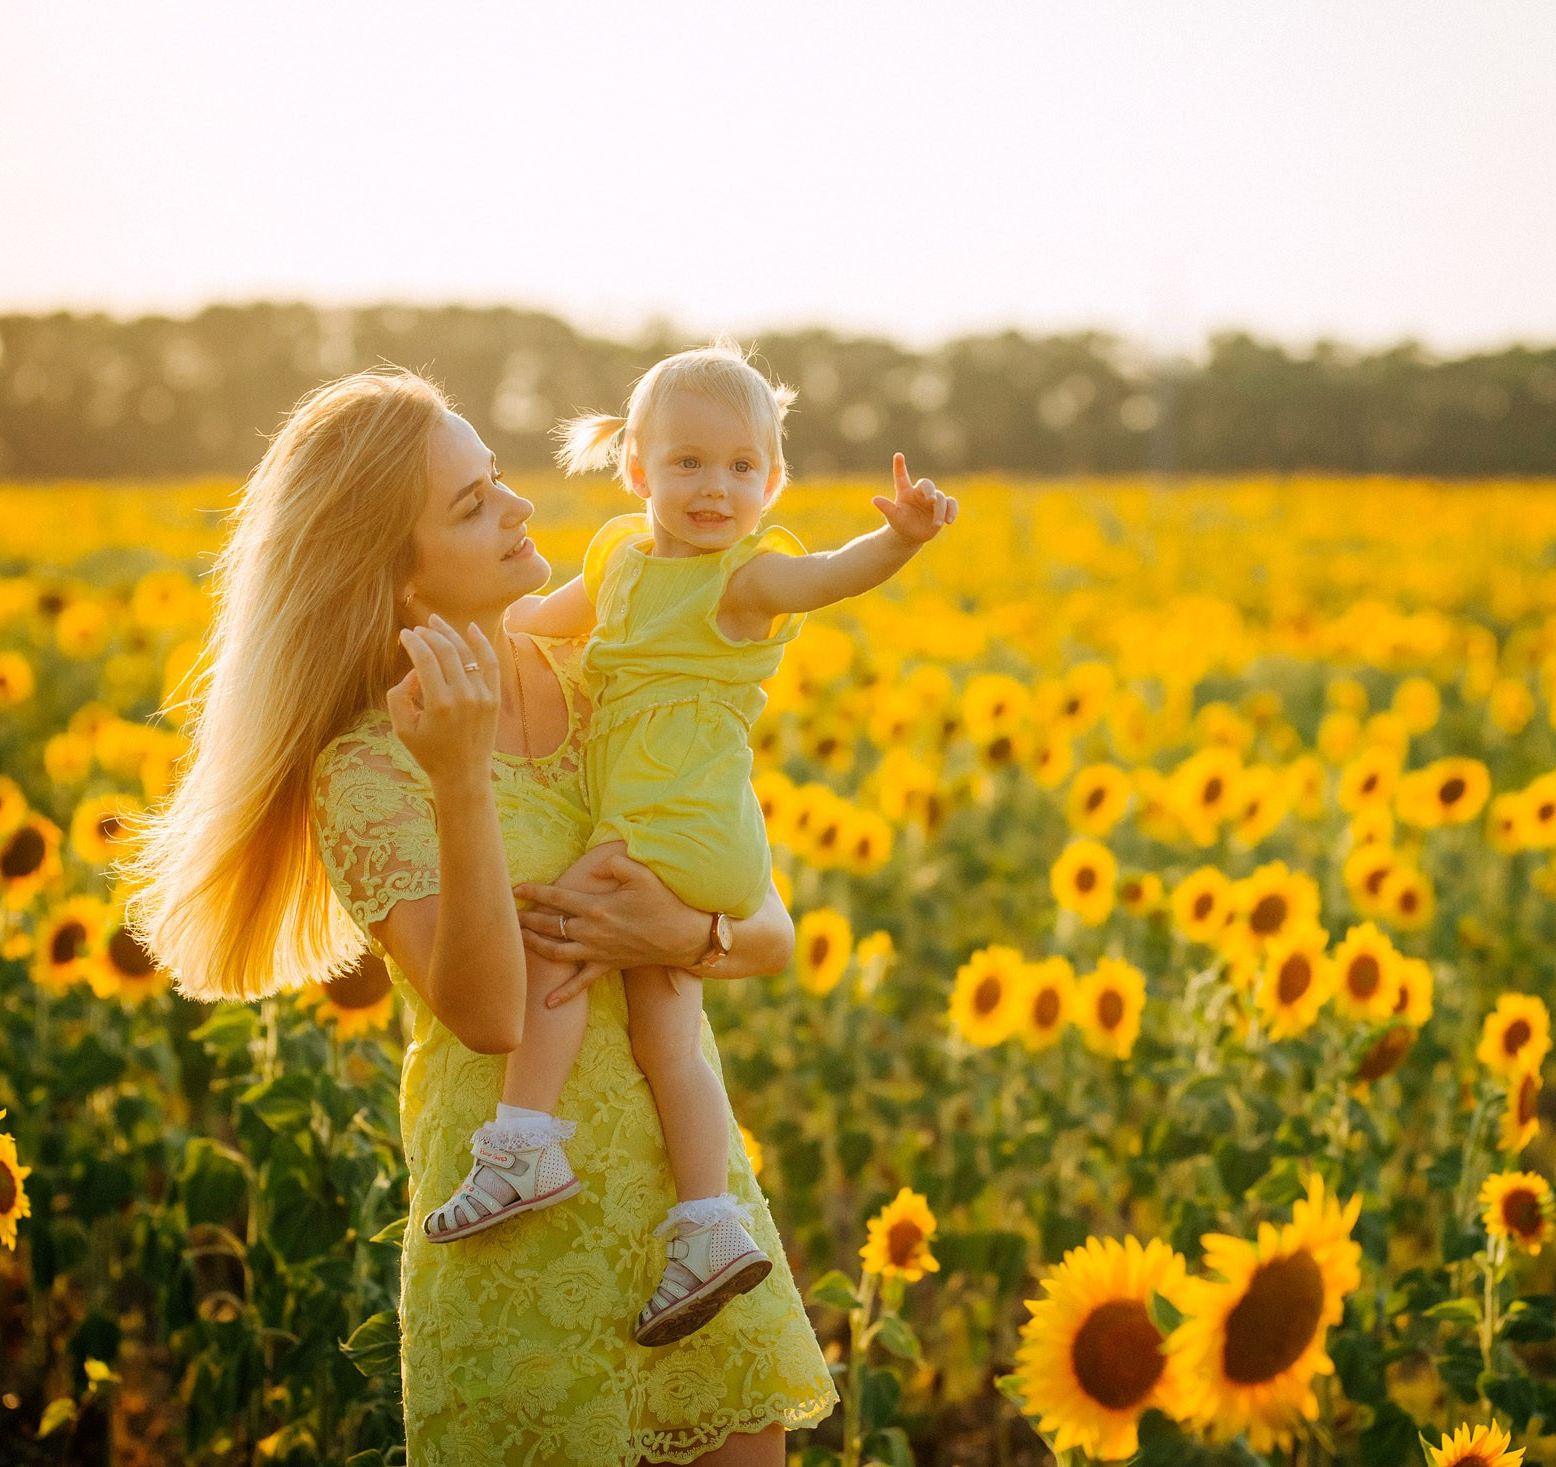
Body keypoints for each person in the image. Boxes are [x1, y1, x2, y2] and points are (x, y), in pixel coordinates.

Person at [121, 367, 835, 1465]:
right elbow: (491, 1015)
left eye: (496, 480)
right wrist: (458, 779)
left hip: (695, 1223)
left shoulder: (602, 672)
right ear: (398, 581)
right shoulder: (368, 769)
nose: (520, 508)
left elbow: (773, 931)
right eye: (472, 505)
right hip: (523, 1233)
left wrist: (676, 940)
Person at [419, 341, 957, 1348]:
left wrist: (904, 541)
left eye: (742, 468)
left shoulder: (744, 582)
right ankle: (707, 1223)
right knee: (669, 1033)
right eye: (688, 463)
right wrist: (446, 622)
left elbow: (834, 575)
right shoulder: (620, 560)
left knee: (556, 933)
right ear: (637, 471)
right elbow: (537, 623)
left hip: (680, 826)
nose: (716, 488)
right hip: (686, 834)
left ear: (773, 481)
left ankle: (525, 1141)